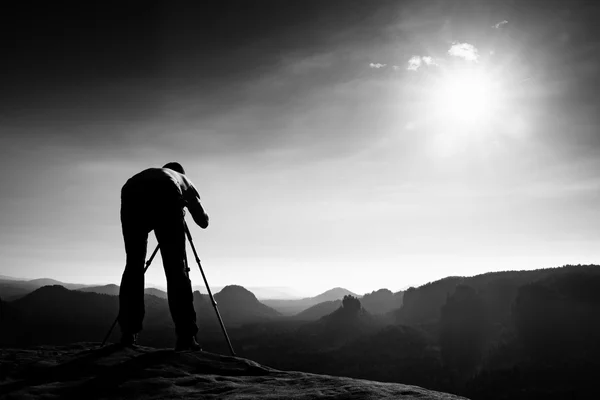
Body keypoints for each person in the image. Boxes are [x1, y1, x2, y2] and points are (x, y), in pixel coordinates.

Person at [118, 162, 209, 350]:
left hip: (130, 191)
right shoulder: (182, 179)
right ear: (180, 172)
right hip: (166, 192)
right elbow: (203, 221)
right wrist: (180, 207)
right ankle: (186, 337)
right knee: (176, 268)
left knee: (134, 265)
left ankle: (128, 333)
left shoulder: (150, 174)